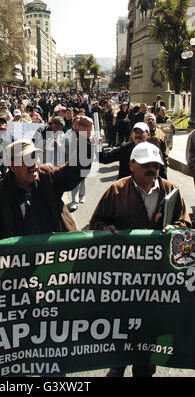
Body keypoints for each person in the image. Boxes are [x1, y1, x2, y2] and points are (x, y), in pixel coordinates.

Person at [90, 141, 191, 377]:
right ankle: (117, 365)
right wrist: (107, 229)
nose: (152, 169)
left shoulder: (172, 191)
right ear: (131, 165)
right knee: (123, 326)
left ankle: (145, 367)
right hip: (124, 278)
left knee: (150, 331)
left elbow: (185, 224)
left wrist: (175, 230)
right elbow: (96, 224)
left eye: (155, 165)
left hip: (157, 281)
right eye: (146, 165)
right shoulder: (115, 190)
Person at [0, 116, 94, 241]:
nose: (34, 164)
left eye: (35, 156)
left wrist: (84, 137)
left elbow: (75, 171)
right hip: (22, 257)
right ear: (13, 166)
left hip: (57, 254)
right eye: (26, 159)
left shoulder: (48, 176)